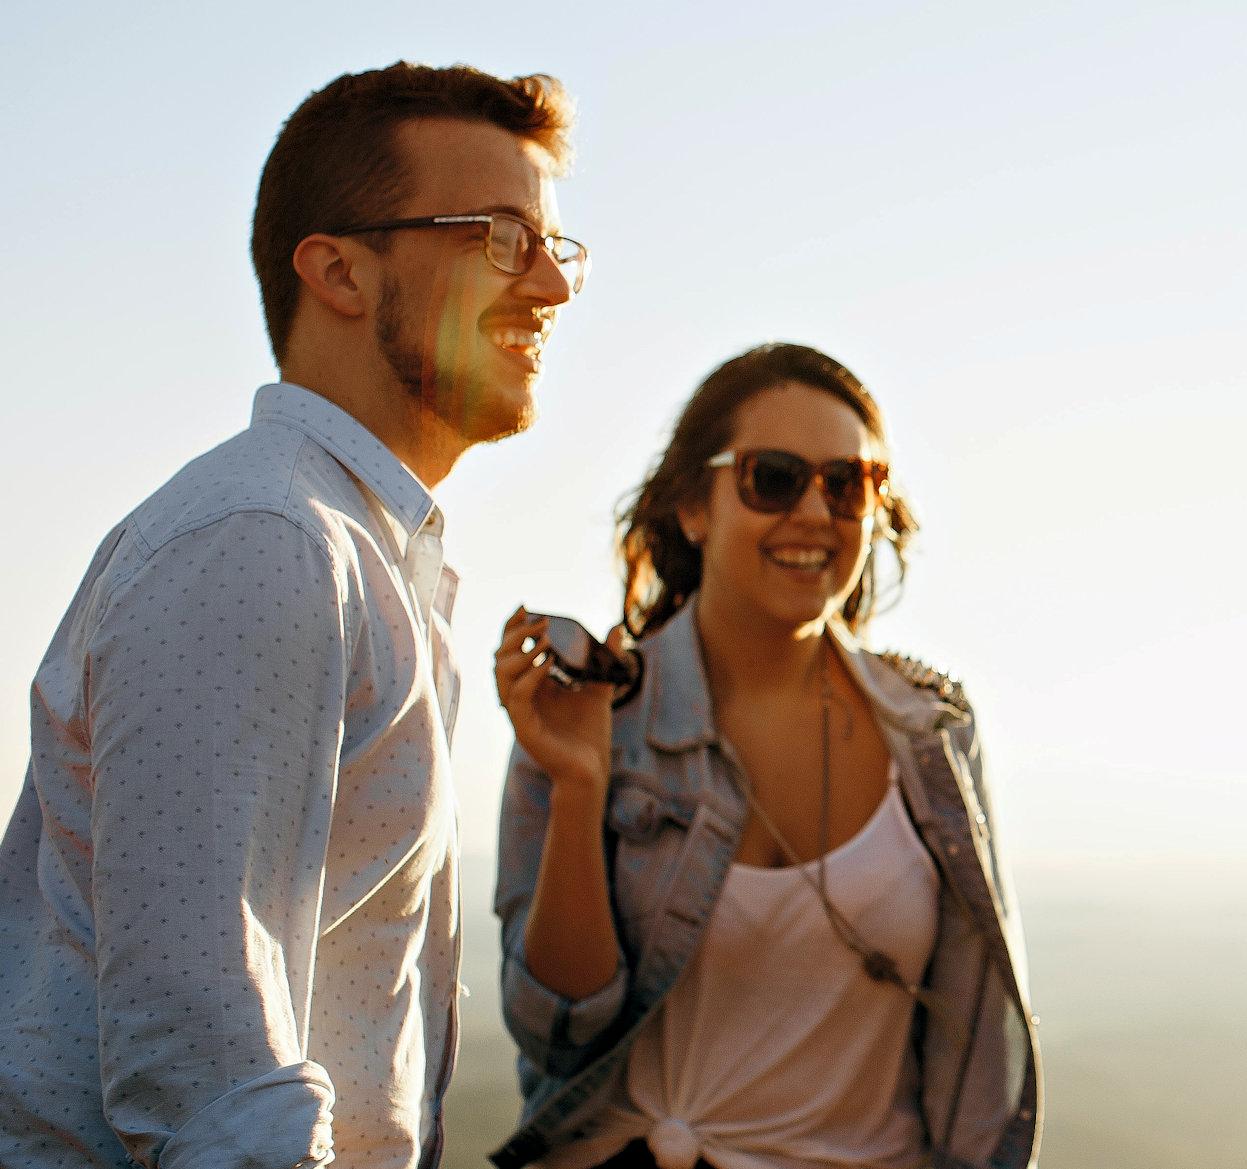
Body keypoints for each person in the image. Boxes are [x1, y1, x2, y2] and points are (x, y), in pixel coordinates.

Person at [0, 63, 579, 1166]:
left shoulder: (359, 553)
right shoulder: (265, 539)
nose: (549, 285)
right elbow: (210, 1075)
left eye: (556, 247)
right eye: (504, 237)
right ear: (339, 272)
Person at [488, 343, 1038, 1169]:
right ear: (693, 506)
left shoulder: (932, 736)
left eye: (849, 484)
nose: (816, 512)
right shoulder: (597, 717)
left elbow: (976, 1063)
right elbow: (558, 1030)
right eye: (773, 477)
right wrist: (578, 784)